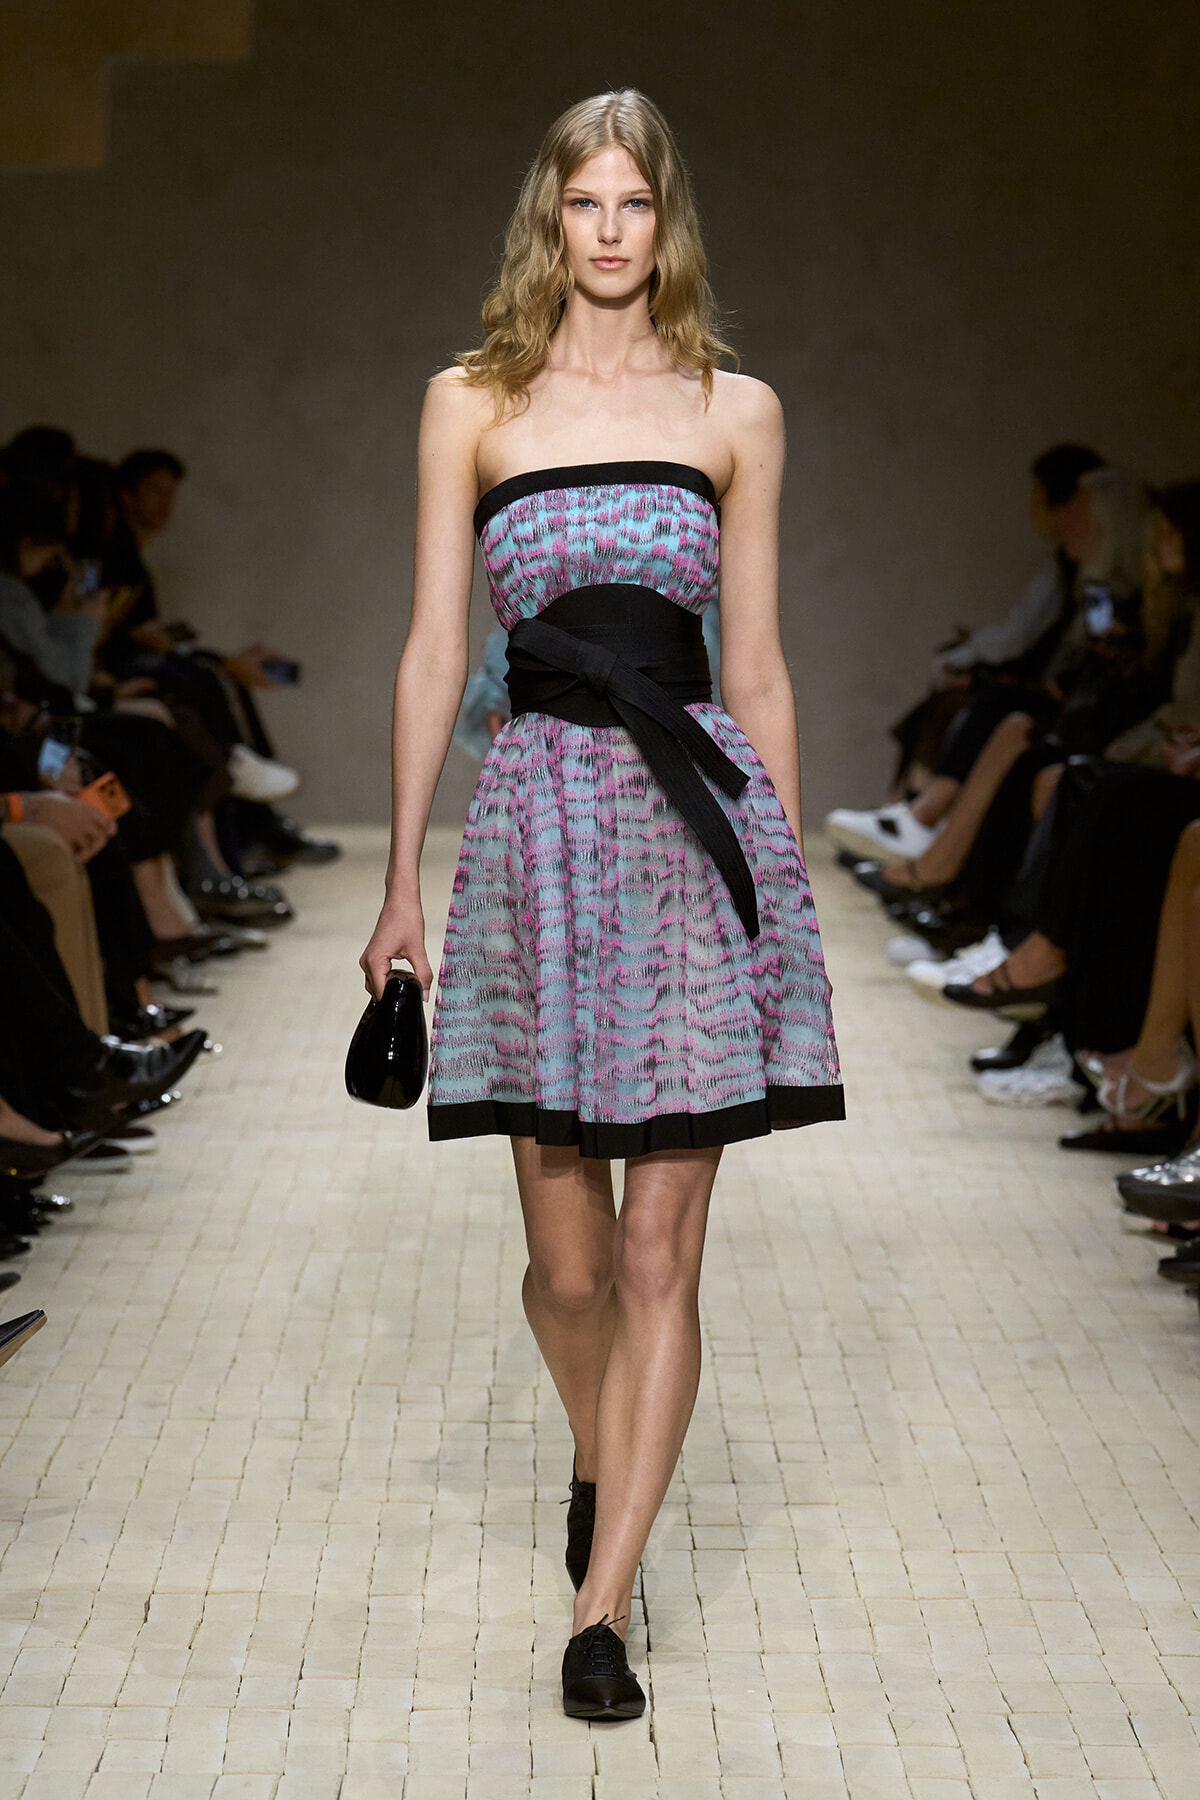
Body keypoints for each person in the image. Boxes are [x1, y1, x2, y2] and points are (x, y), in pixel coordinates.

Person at [360, 89, 842, 1722]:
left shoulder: (737, 409)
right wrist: (396, 874)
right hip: (539, 839)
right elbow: (439, 651)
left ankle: (603, 1603)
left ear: (669, 218)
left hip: (694, 847)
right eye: (588, 204)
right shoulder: (470, 405)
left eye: (638, 202)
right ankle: (602, 1454)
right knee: (565, 1273)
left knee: (658, 1258)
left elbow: (759, 664)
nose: (615, 230)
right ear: (550, 220)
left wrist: (786, 877)